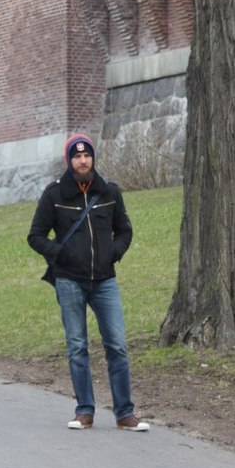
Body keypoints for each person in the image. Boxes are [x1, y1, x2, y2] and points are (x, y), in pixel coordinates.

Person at [27, 133, 149, 431]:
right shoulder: (54, 195)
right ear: (69, 160)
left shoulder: (109, 192)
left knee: (117, 345)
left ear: (92, 158)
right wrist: (61, 254)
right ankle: (84, 410)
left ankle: (125, 413)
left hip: (105, 280)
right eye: (77, 156)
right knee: (77, 346)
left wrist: (113, 253)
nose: (83, 160)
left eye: (87, 155)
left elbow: (125, 231)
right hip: (70, 281)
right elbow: (36, 236)